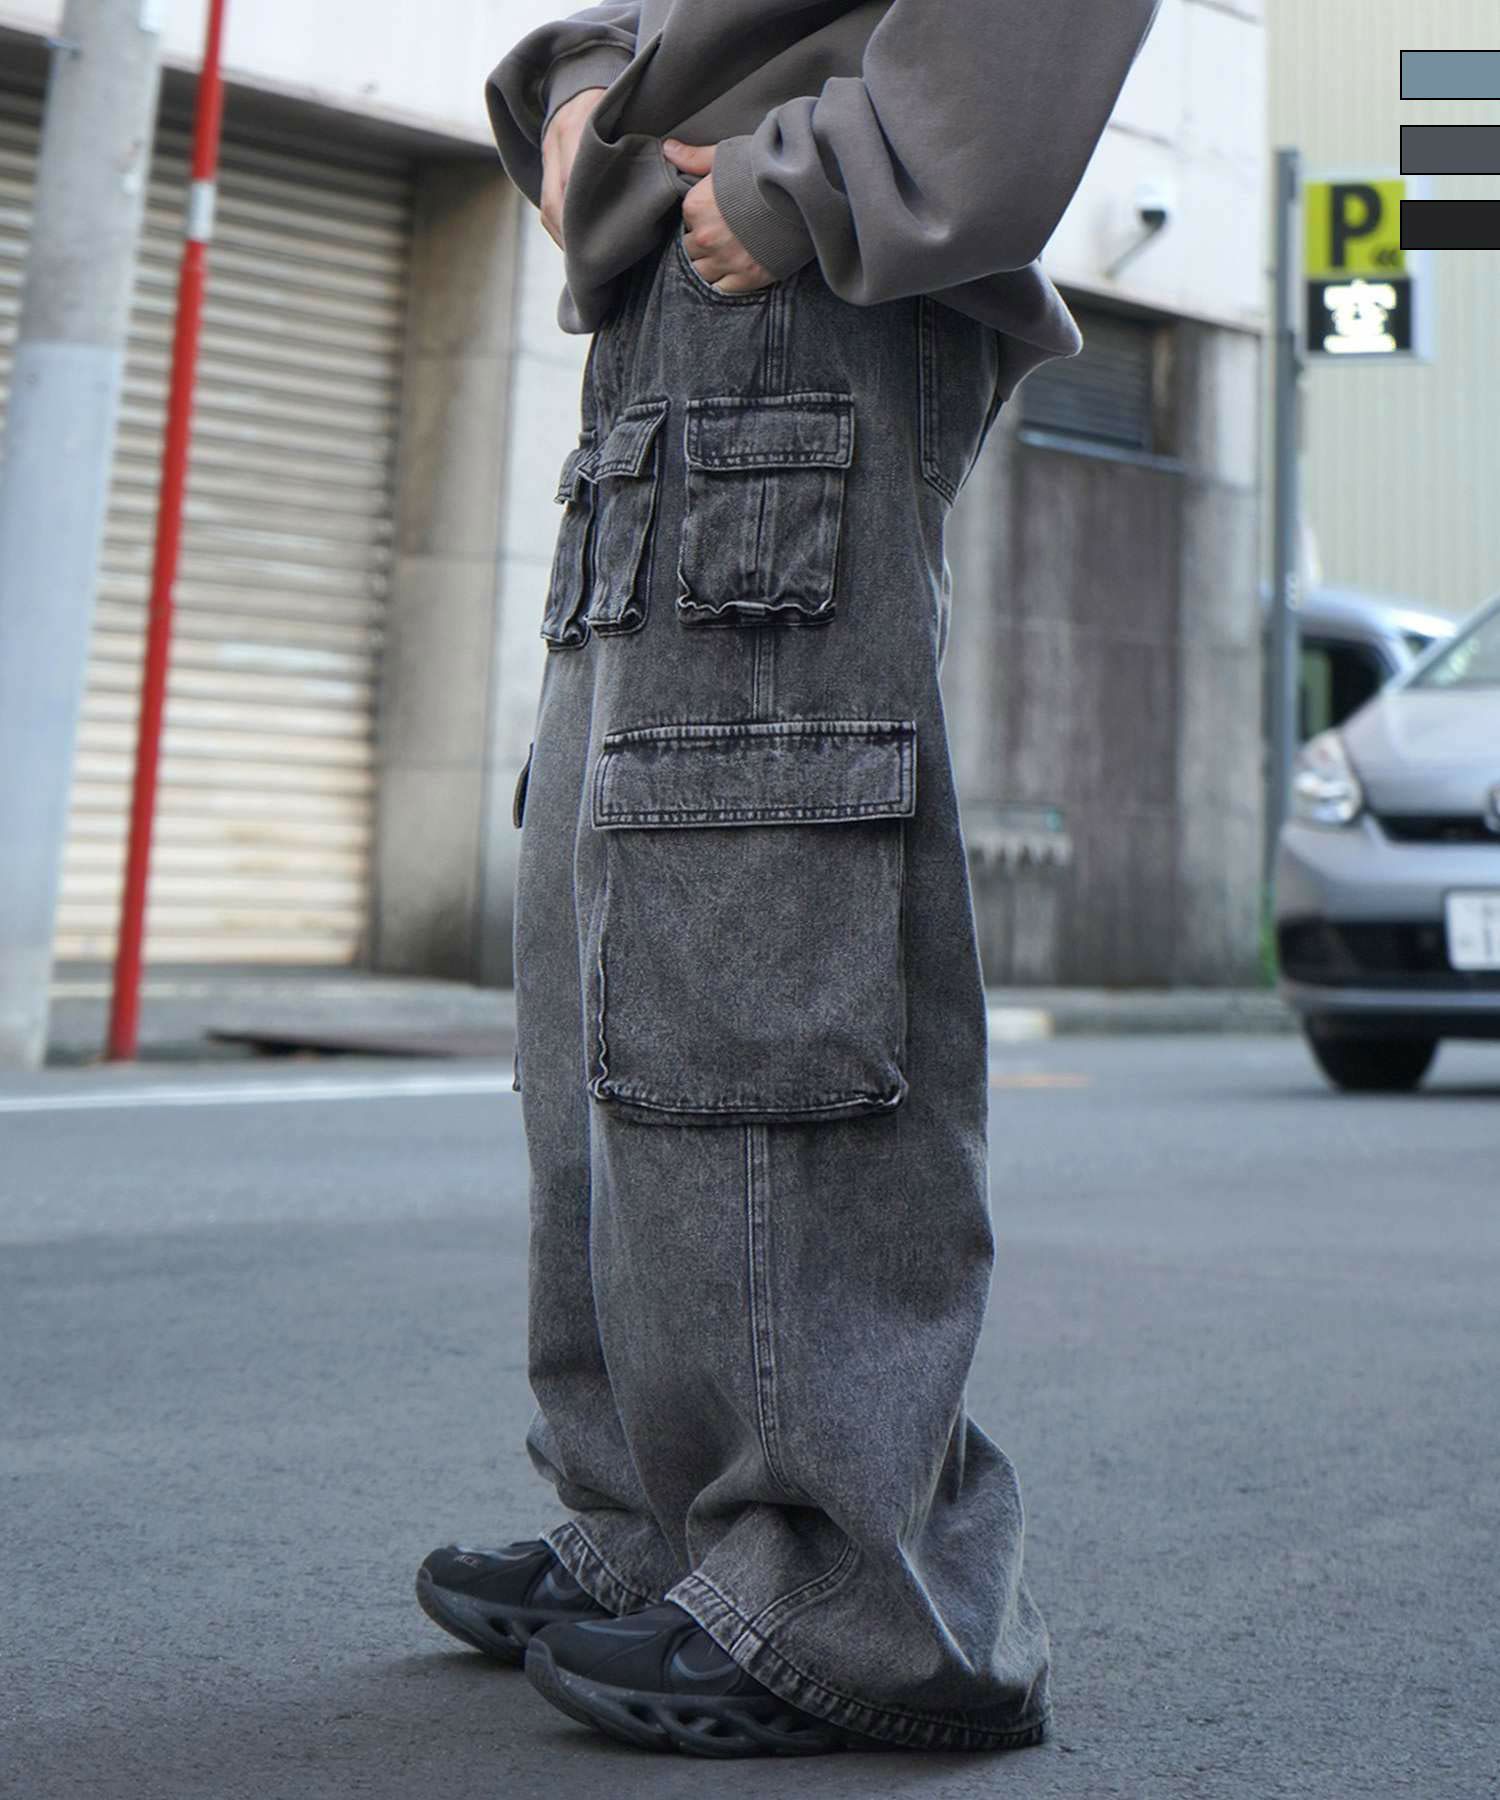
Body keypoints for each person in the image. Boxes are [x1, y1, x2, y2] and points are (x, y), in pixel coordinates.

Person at [416, 0, 1163, 1759]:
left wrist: (818, 177)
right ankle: (663, 1523)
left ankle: (856, 1597)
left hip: (799, 279)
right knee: (612, 936)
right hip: (670, 291)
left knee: (764, 917)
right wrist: (576, 92)